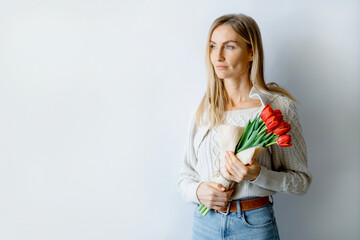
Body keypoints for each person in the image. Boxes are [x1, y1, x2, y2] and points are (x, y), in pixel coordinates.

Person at [176, 13, 312, 240]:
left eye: (229, 47)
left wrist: (258, 175)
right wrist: (199, 192)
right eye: (212, 46)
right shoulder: (205, 110)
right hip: (204, 224)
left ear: (251, 52)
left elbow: (301, 182)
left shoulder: (275, 108)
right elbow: (184, 176)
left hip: (254, 225)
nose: (217, 56)